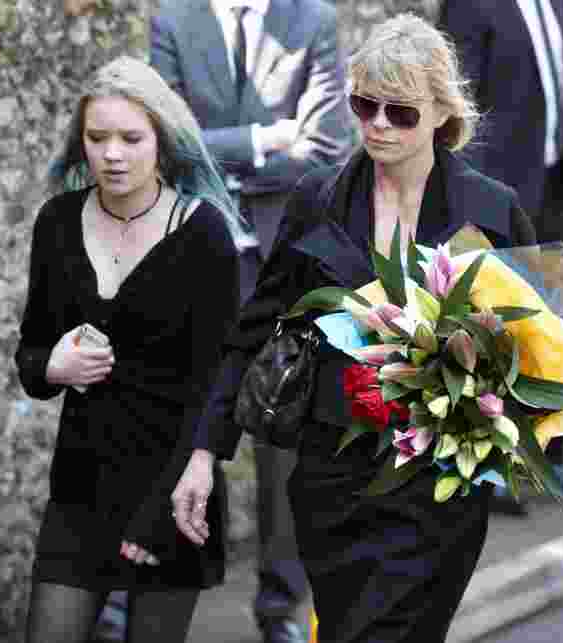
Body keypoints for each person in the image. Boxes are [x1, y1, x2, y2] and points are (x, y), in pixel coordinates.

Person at [170, 14, 536, 643]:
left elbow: (541, 348)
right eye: (365, 106)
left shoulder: (491, 209)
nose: (378, 126)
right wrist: (205, 450)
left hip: (440, 491)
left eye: (400, 113)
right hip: (333, 485)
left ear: (442, 113)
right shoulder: (319, 199)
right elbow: (254, 328)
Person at [14, 56, 244, 642]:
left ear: (161, 141)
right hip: (82, 485)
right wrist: (54, 366)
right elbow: (31, 357)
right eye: (97, 138)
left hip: (174, 486)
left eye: (130, 138)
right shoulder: (58, 223)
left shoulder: (203, 232)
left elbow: (219, 377)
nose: (112, 153)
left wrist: (188, 477)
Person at [150, 2, 353, 640]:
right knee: (181, 425)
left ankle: (279, 607)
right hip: (196, 254)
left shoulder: (312, 18)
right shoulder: (174, 19)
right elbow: (163, 143)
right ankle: (165, 595)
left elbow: (325, 148)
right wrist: (267, 139)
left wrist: (217, 156)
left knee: (281, 439)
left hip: (281, 260)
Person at [437, 0, 563, 507]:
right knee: (502, 337)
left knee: (561, 329)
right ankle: (502, 472)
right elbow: (460, 109)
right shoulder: (469, 6)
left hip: (553, 186)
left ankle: (555, 464)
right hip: (501, 194)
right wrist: (475, 202)